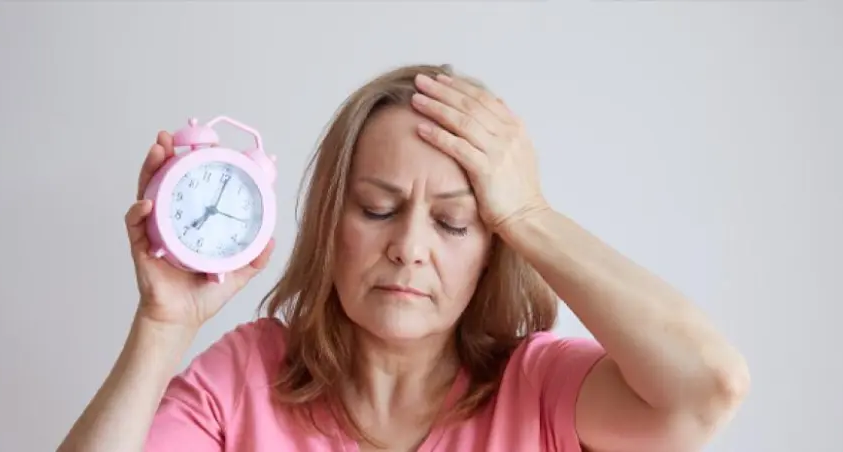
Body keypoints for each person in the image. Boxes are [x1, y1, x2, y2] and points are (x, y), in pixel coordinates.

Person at [57, 63, 750, 452]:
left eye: (452, 223)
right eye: (377, 209)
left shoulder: (539, 389)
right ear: (330, 222)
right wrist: (162, 325)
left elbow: (708, 387)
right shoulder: (246, 379)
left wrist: (529, 215)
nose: (409, 249)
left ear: (491, 249)